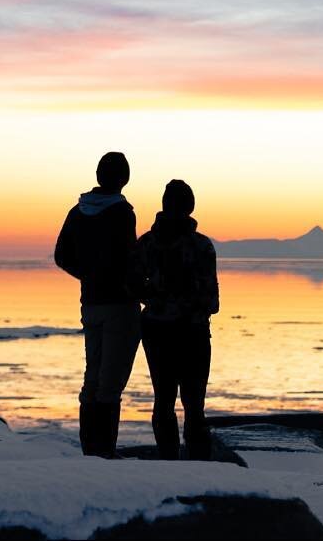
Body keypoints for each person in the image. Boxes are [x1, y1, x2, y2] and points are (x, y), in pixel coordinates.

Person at [53, 151, 140, 458]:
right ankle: (104, 453)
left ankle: (91, 449)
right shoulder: (121, 212)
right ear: (123, 179)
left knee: (93, 377)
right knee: (110, 383)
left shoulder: (78, 211)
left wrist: (88, 276)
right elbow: (130, 260)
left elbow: (62, 255)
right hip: (119, 304)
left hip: (90, 303)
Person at [129, 179, 218, 460]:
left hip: (157, 330)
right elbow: (212, 301)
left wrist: (155, 299)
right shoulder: (201, 246)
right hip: (192, 332)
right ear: (190, 208)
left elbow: (131, 284)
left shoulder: (145, 244)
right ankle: (198, 465)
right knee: (194, 404)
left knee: (164, 400)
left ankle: (168, 461)